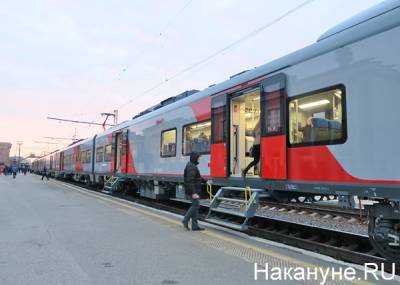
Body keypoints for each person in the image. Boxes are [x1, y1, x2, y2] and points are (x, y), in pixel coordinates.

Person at [182, 152, 205, 231]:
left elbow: (196, 178)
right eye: (198, 158)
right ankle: (185, 220)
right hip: (193, 191)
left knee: (195, 207)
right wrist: (193, 193)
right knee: (196, 205)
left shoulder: (192, 166)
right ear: (194, 158)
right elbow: (190, 181)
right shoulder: (191, 167)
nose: (199, 159)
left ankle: (194, 226)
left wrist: (205, 181)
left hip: (193, 190)